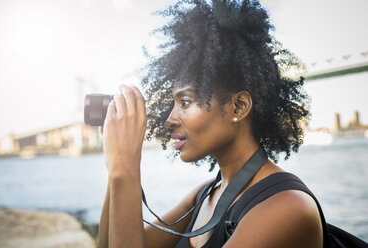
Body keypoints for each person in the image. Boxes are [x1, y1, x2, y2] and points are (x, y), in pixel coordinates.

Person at [98, 0, 324, 247]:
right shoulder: (204, 195)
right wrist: (116, 168)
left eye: (184, 102)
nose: (169, 120)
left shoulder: (287, 207)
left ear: (238, 107)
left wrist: (126, 170)